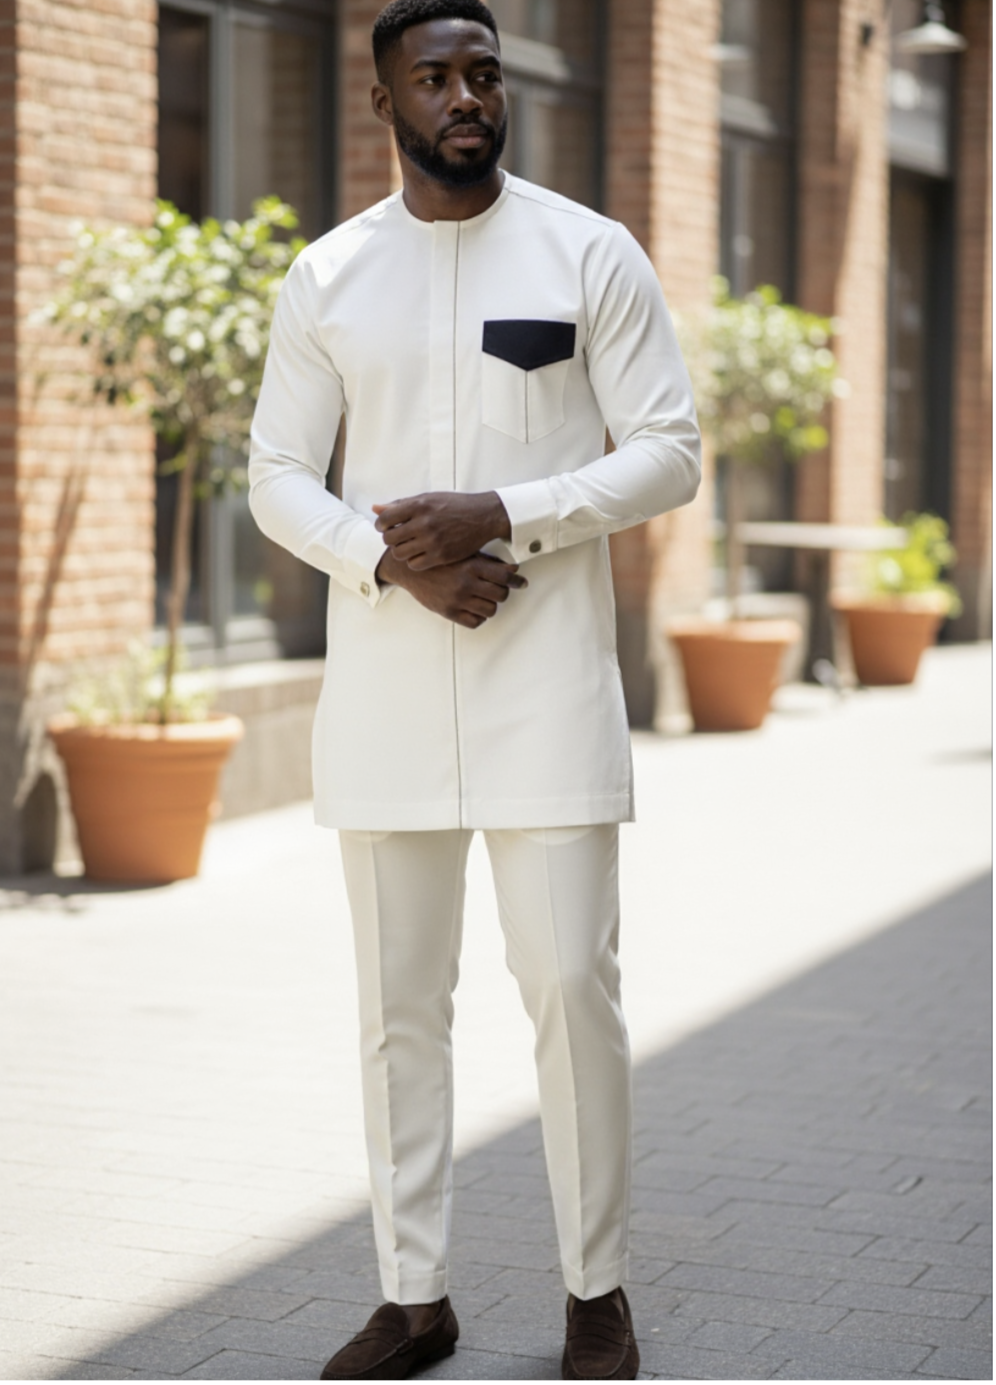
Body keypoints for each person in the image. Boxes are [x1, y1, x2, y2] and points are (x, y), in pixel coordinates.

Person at [248, 1, 700, 1377]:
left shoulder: (588, 252)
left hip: (546, 690)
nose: (466, 96)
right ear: (382, 102)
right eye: (435, 77)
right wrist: (394, 567)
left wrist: (506, 507)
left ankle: (596, 1291)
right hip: (385, 691)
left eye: (483, 74)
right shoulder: (328, 278)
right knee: (399, 1009)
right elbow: (277, 474)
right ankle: (415, 1296)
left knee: (571, 988)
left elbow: (669, 452)